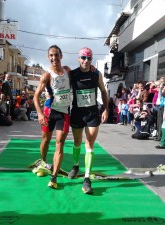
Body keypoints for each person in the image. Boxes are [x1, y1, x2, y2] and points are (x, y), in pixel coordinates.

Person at [68, 47, 109, 194]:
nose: (86, 60)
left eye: (89, 58)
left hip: (92, 113)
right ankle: (75, 165)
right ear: (78, 58)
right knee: (77, 142)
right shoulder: (72, 74)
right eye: (83, 57)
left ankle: (86, 178)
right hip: (77, 113)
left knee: (89, 143)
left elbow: (104, 91)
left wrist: (105, 109)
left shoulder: (96, 74)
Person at [33, 45, 71, 189]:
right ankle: (43, 162)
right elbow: (36, 96)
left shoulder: (67, 71)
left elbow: (81, 73)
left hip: (64, 112)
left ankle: (54, 177)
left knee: (59, 144)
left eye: (56, 55)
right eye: (51, 55)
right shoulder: (46, 75)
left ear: (61, 55)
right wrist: (40, 113)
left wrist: (92, 68)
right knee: (46, 140)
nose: (53, 58)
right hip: (49, 111)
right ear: (48, 57)